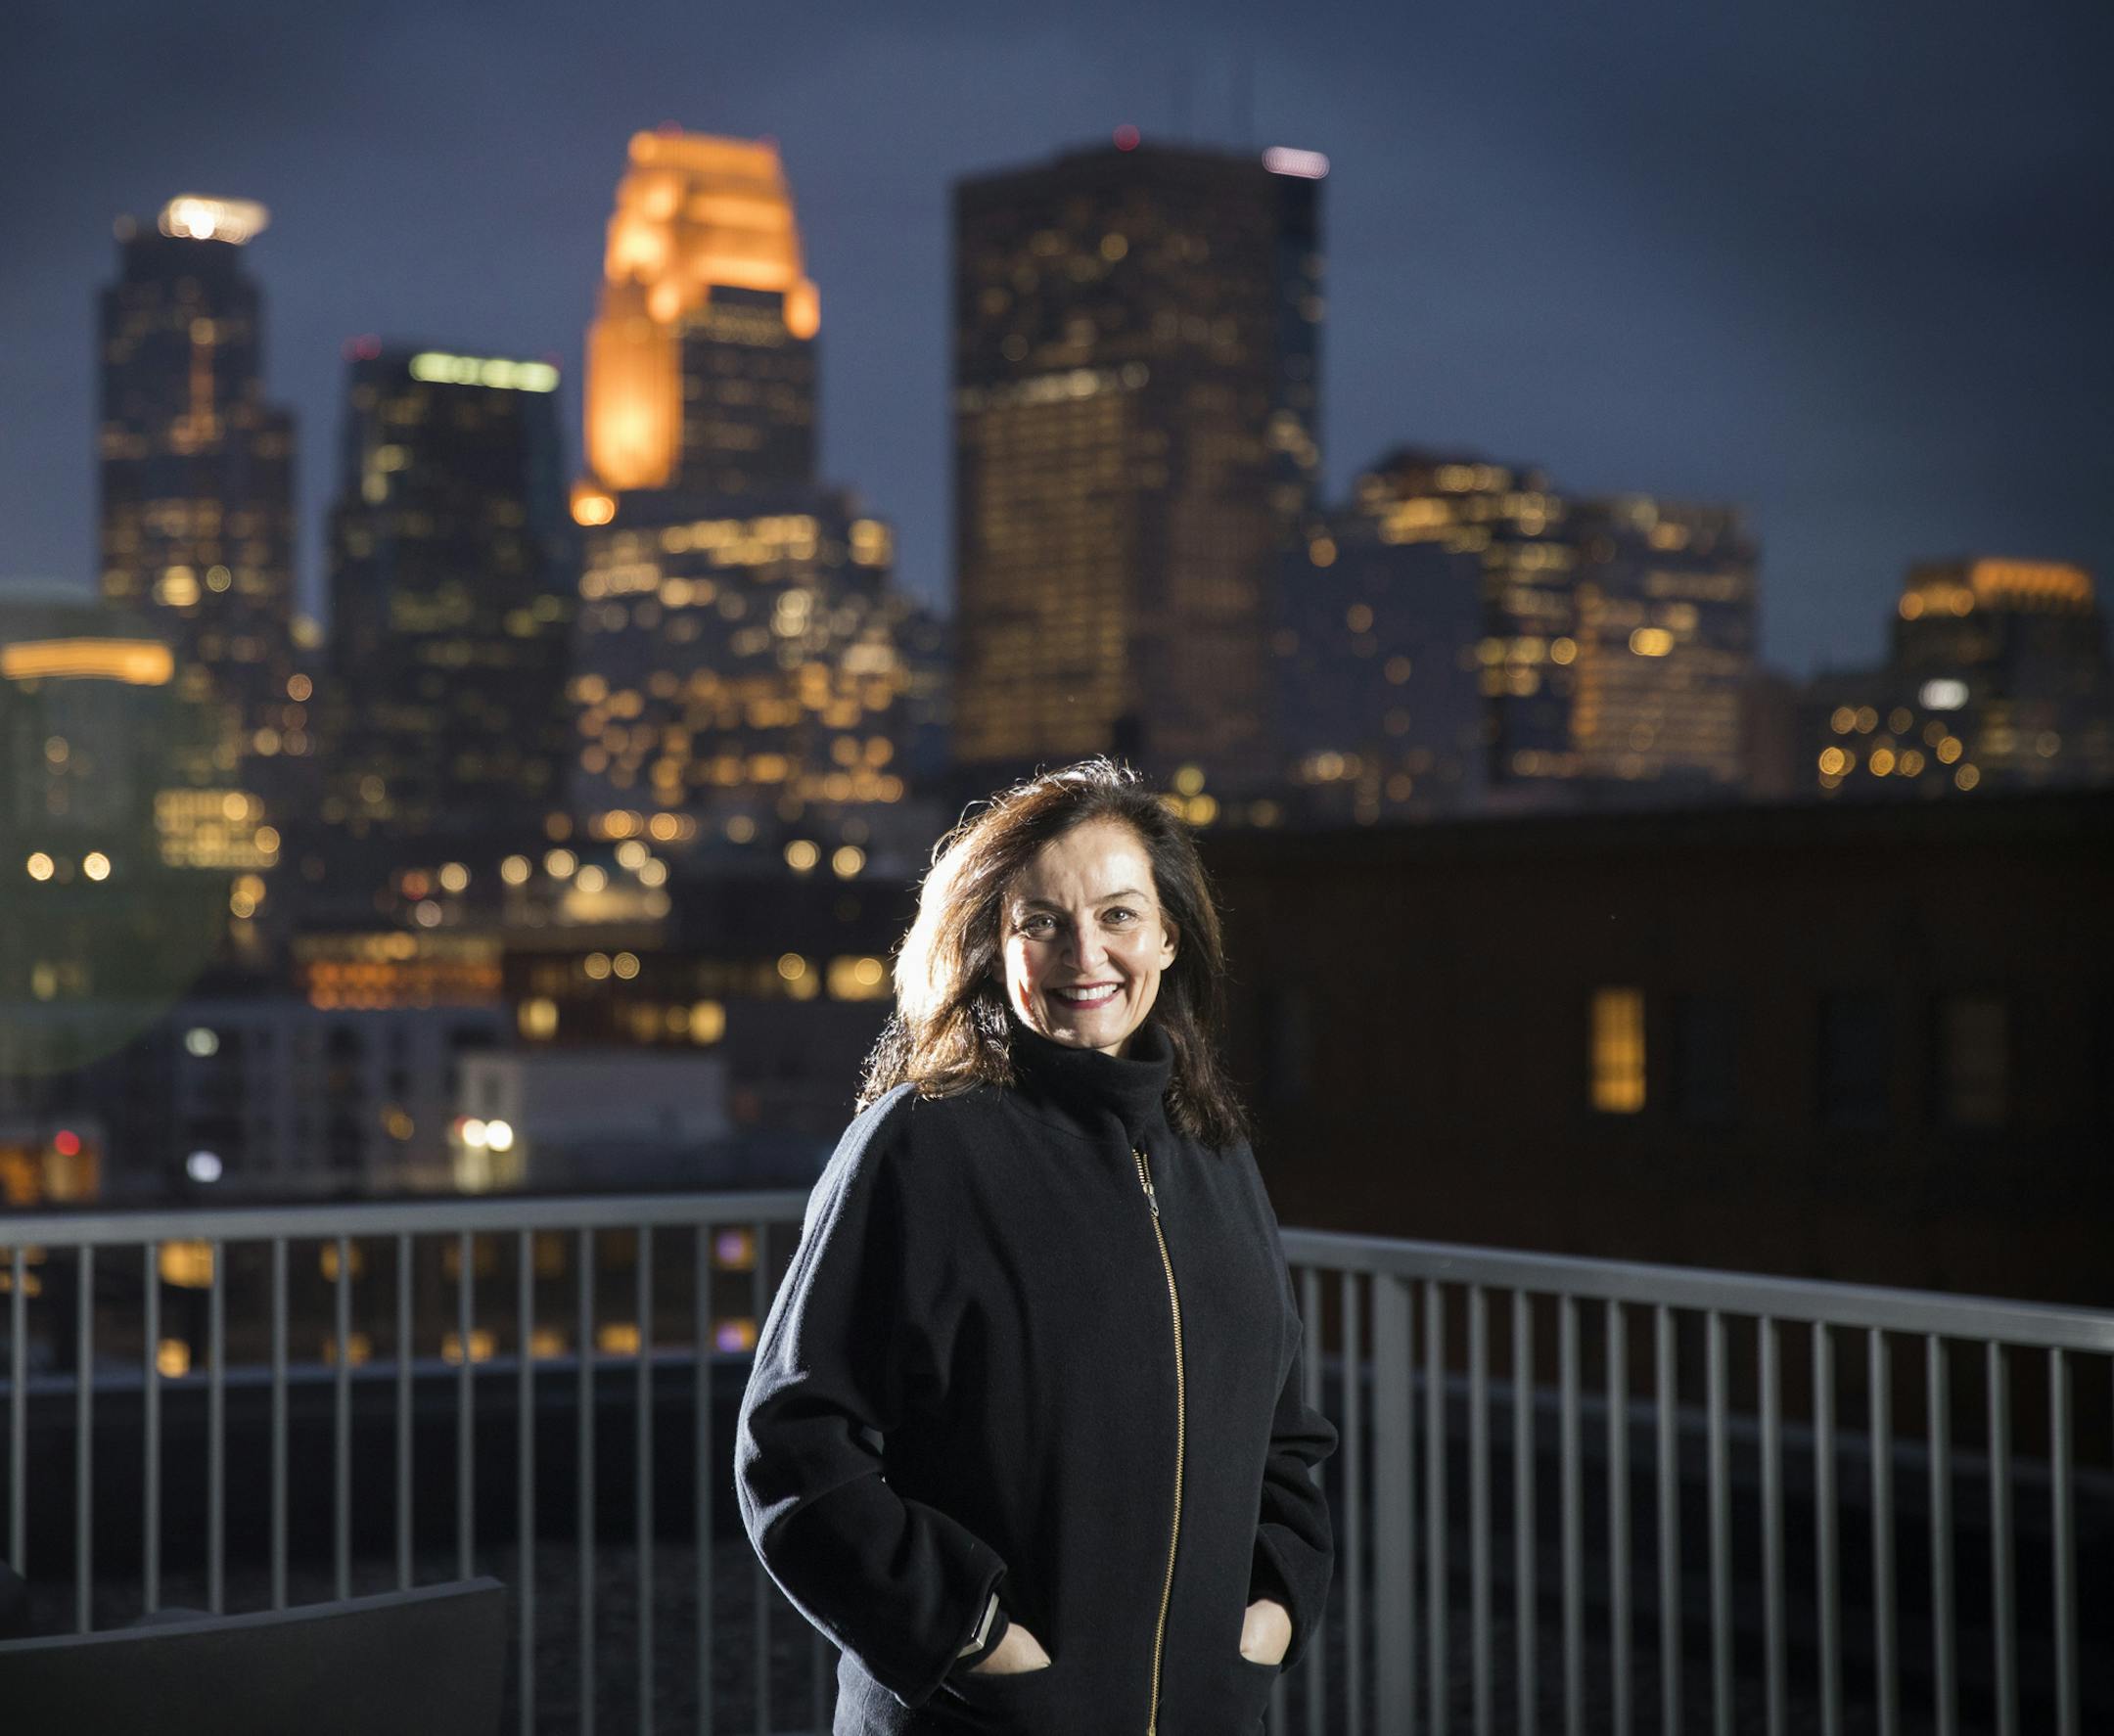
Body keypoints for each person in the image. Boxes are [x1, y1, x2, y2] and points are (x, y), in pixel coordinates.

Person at [735, 758, 1337, 1735]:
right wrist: (975, 1641)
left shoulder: (1212, 1144)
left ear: (1170, 933)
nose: (1085, 951)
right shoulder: (923, 1141)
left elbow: (1286, 1434)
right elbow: (794, 1450)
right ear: (991, 944)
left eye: (1119, 914)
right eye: (1041, 922)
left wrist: (1270, 1614)